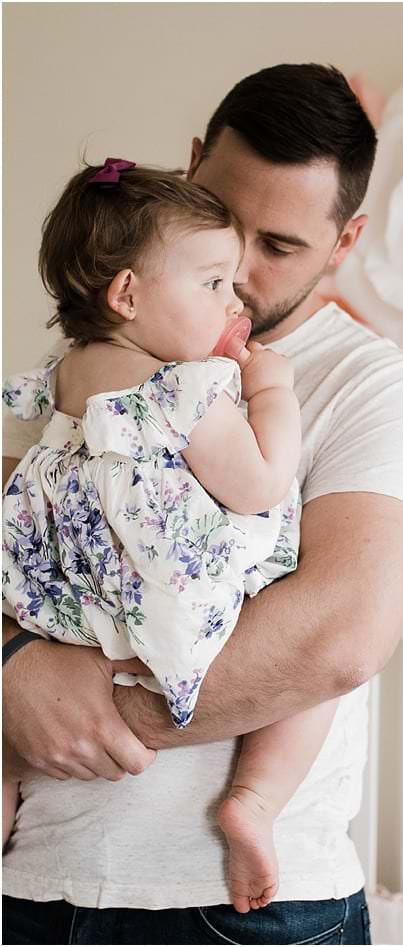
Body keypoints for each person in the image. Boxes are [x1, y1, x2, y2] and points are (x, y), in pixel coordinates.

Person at [1, 63, 403, 945]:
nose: (235, 270)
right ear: (193, 162)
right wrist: (11, 667)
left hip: (238, 909)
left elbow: (338, 636)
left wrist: (56, 712)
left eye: (277, 245)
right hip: (38, 881)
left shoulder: (379, 388)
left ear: (345, 240)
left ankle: (255, 798)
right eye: (220, 221)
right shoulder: (84, 357)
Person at [3, 160, 326, 916]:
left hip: (64, 600)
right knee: (319, 668)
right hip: (167, 592)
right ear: (127, 294)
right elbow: (258, 482)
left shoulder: (64, 374)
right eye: (212, 282)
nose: (234, 297)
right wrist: (271, 390)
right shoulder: (182, 388)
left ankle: (5, 779)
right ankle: (255, 797)